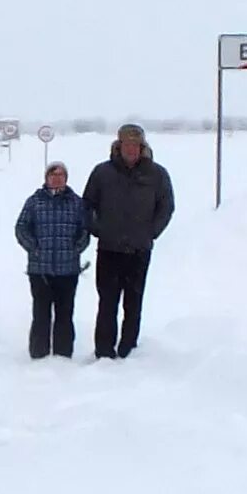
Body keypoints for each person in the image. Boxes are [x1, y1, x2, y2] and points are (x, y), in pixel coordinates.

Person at [82, 123, 174, 359]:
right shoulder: (102, 173)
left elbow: (166, 207)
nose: (131, 149)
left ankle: (128, 349)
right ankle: (104, 350)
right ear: (118, 146)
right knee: (107, 303)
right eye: (127, 144)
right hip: (109, 249)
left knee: (133, 303)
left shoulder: (157, 174)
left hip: (139, 250)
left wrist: (151, 232)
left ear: (142, 147)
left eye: (136, 145)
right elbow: (87, 205)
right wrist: (97, 229)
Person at [13, 160, 90, 359]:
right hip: (40, 270)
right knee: (41, 315)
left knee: (64, 315)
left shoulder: (76, 202)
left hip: (68, 270)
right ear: (46, 178)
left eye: (61, 175)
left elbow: (85, 230)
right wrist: (34, 248)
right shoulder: (34, 201)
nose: (56, 179)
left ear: (66, 178)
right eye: (52, 175)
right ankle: (39, 355)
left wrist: (75, 249)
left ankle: (63, 355)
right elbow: (21, 227)